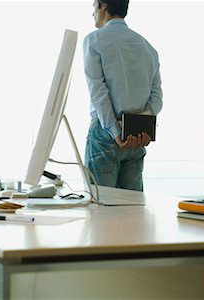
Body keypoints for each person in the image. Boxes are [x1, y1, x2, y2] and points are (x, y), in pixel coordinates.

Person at [83, 0, 163, 191]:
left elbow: (98, 92)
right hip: (137, 136)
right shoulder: (147, 47)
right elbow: (157, 95)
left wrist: (116, 132)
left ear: (103, 6)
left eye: (93, 5)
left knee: (100, 208)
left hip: (105, 134)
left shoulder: (94, 40)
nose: (92, 13)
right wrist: (142, 126)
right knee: (132, 209)